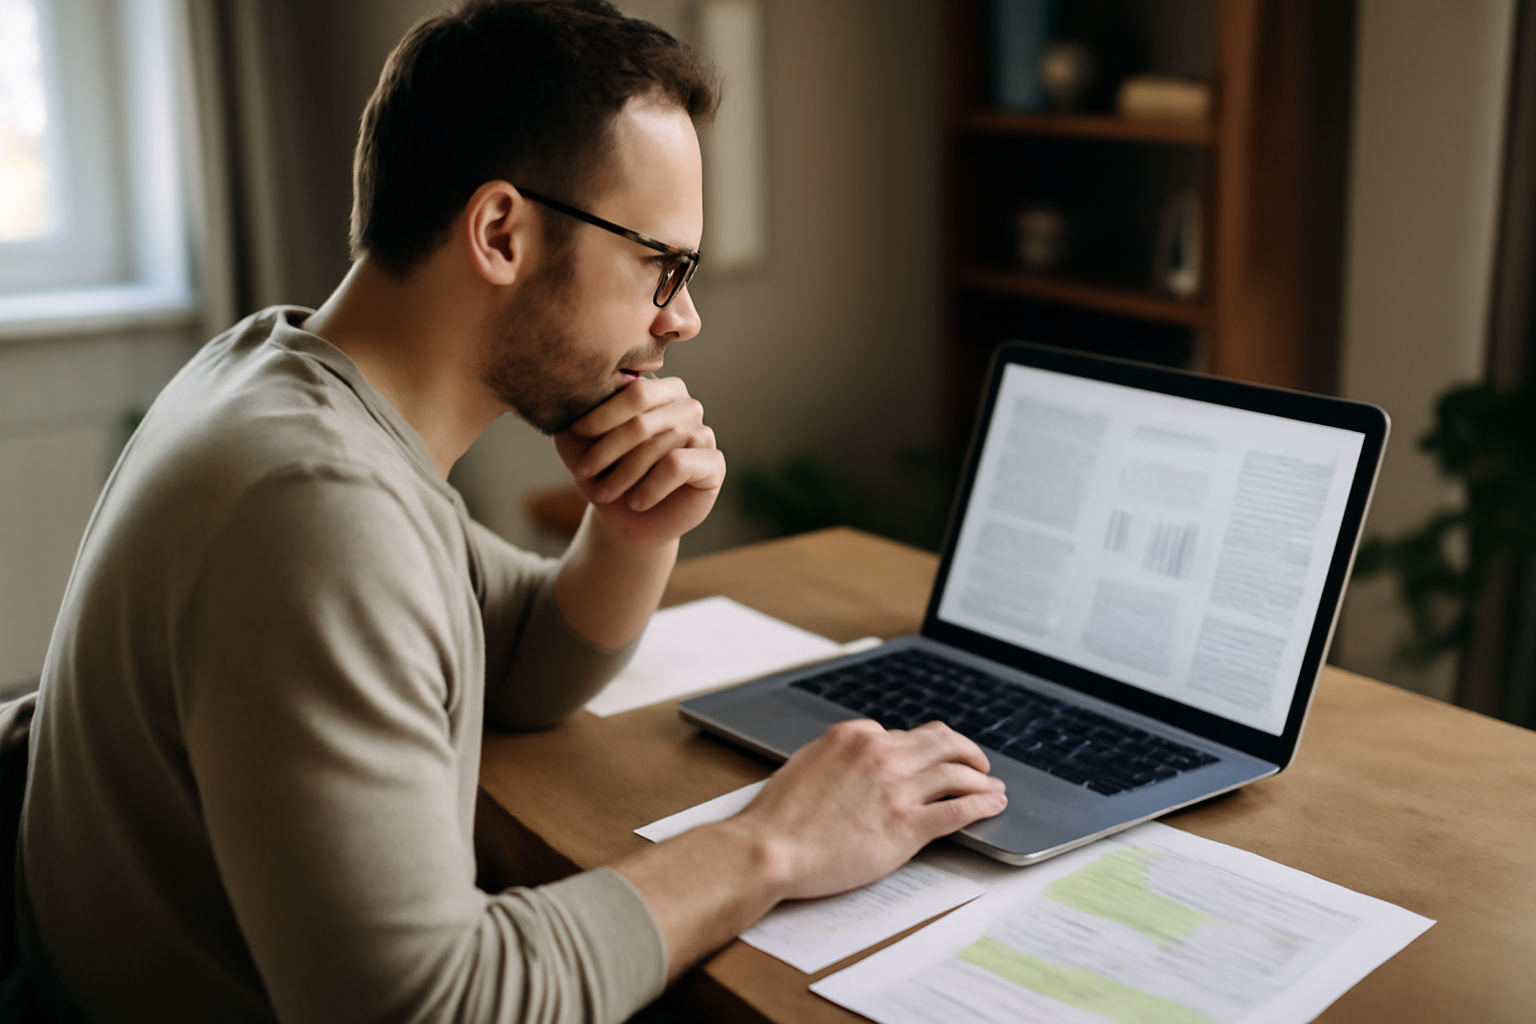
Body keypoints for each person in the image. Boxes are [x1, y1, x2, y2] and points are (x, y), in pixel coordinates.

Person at [15, 2, 1008, 1021]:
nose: (684, 316)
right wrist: (776, 840)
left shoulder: (278, 379)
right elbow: (431, 1006)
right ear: (501, 232)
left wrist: (634, 524)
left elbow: (520, 664)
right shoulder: (316, 503)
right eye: (661, 263)